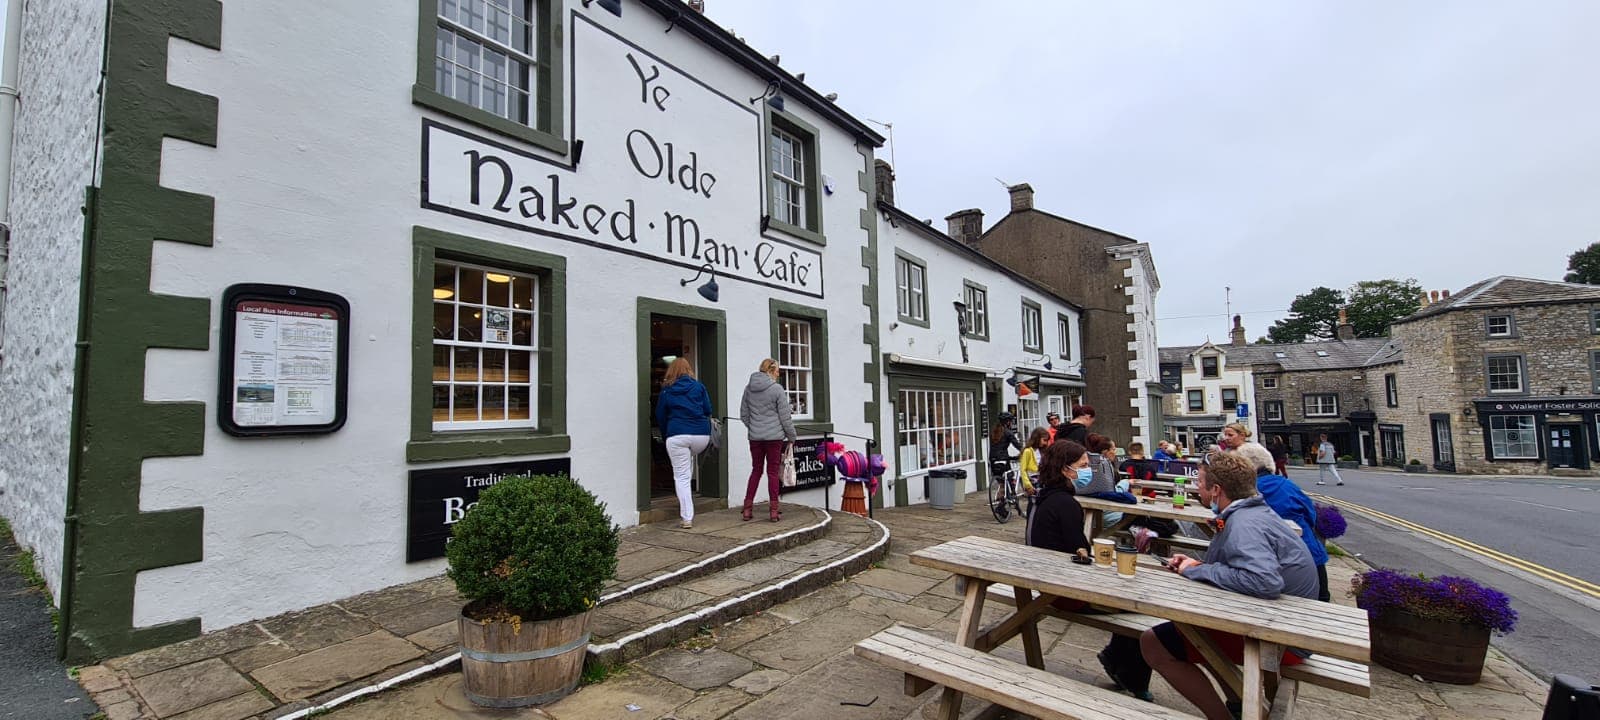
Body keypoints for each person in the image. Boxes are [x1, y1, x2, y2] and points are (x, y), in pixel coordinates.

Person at [1136, 452, 1319, 720]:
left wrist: (1201, 572)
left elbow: (1264, 581)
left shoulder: (1244, 524)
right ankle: (1239, 702)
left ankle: (1221, 716)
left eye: (1199, 481)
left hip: (1282, 640)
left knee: (1153, 643)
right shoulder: (1254, 513)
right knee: (1195, 632)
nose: (1196, 487)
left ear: (1217, 490)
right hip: (1283, 625)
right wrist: (1198, 567)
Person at [1235, 442, 1330, 601]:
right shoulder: (1287, 485)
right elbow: (1311, 514)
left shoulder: (1246, 490)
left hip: (1267, 563)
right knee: (1322, 601)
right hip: (1309, 556)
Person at [655, 358, 714, 529]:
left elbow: (660, 415)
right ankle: (687, 504)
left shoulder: (667, 390)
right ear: (689, 370)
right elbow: (708, 410)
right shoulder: (698, 386)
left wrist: (668, 435)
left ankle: (687, 517)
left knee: (681, 477)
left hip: (678, 435)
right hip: (701, 436)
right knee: (686, 468)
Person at [740, 358, 798, 523]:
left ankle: (747, 509)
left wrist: (754, 428)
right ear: (771, 371)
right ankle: (773, 511)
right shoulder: (777, 389)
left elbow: (743, 415)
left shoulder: (748, 389)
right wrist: (792, 436)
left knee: (756, 471)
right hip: (774, 438)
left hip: (755, 438)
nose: (779, 373)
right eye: (778, 370)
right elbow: (785, 417)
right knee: (772, 472)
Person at [989, 412, 1023, 479]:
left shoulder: (993, 431)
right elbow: (1016, 444)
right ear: (1007, 422)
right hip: (1002, 459)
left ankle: (1002, 488)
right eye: (1010, 421)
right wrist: (1024, 450)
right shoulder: (1008, 432)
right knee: (1010, 477)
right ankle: (1011, 488)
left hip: (992, 459)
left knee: (1001, 481)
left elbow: (997, 447)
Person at [1018, 427, 1051, 496]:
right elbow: (1022, 469)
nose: (1045, 443)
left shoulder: (1043, 451)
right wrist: (1028, 485)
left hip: (1042, 479)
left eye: (1047, 441)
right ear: (1037, 438)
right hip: (1032, 480)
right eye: (1044, 440)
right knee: (1033, 502)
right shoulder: (1027, 451)